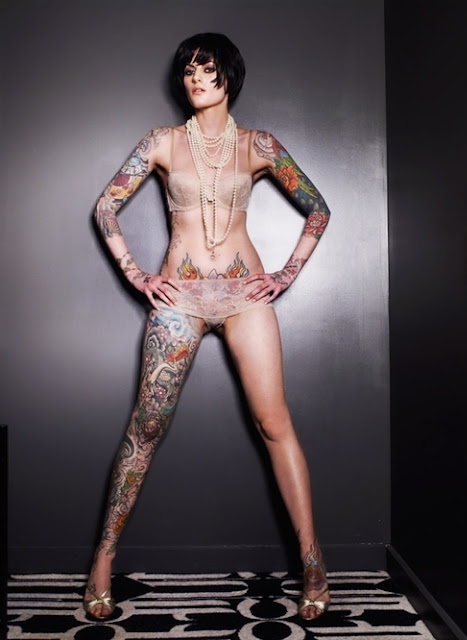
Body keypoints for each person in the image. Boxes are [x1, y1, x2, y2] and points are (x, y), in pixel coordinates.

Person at [83, 32, 331, 622]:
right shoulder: (163, 142)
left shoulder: (257, 145)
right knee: (147, 427)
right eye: (188, 70)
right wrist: (135, 273)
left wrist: (287, 273)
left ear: (228, 76)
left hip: (245, 297)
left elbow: (319, 210)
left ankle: (312, 560)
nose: (195, 79)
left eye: (207, 68)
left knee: (274, 424)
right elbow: (105, 206)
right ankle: (103, 559)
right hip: (181, 299)